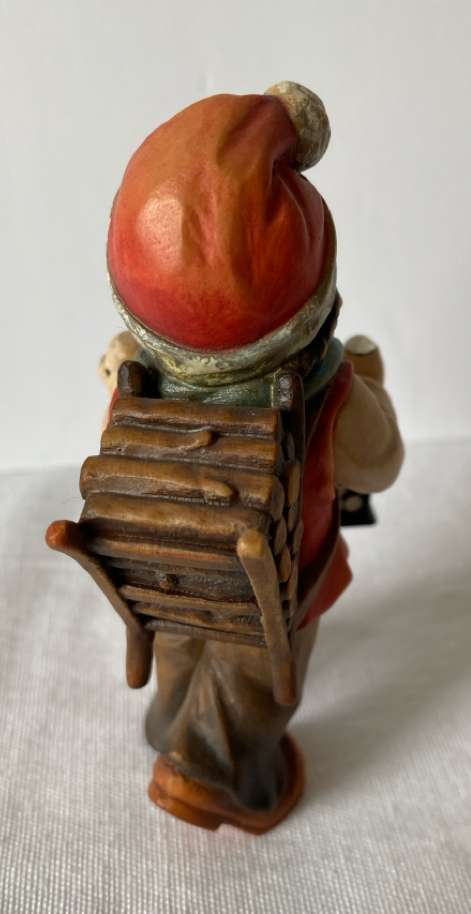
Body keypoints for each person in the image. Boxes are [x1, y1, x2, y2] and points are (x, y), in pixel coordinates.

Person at [105, 82, 403, 832]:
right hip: (272, 571)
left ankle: (169, 724)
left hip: (162, 562)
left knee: (181, 642)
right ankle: (220, 774)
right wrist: (369, 383)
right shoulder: (329, 394)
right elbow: (382, 464)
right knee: (258, 676)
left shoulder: (131, 371)